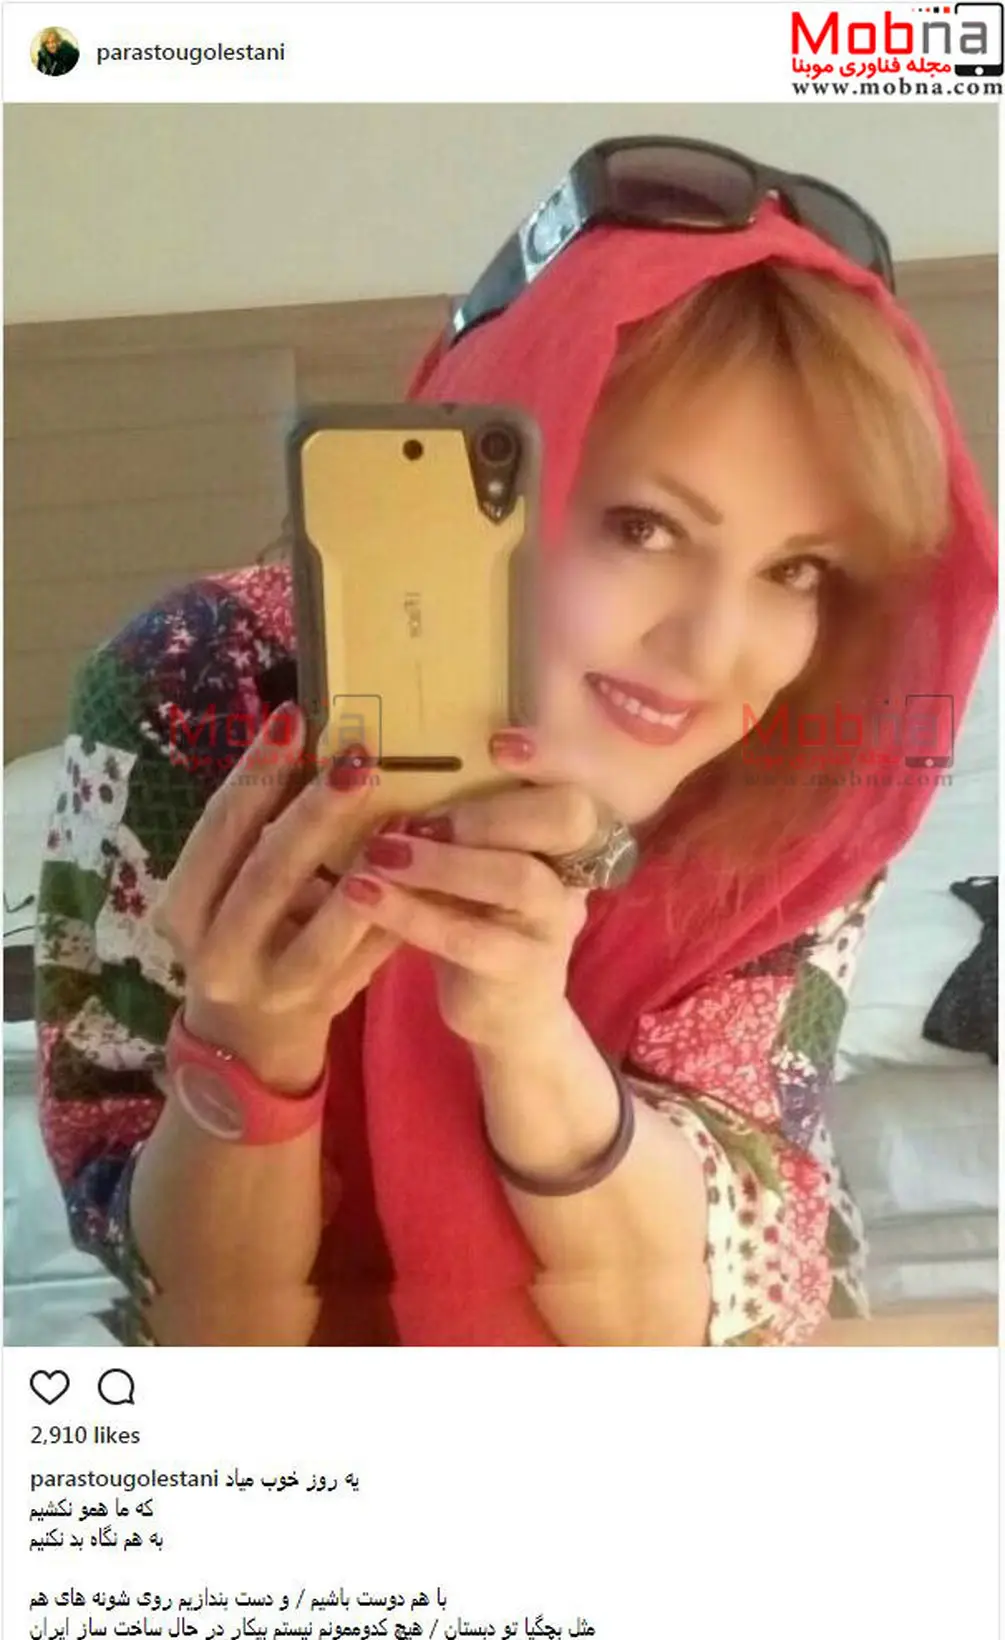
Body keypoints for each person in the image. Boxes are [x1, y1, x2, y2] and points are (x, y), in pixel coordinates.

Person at [35, 137, 996, 1348]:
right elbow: (207, 1322)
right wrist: (251, 1040)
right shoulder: (197, 691)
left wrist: (528, 1037)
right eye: (644, 526)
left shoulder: (801, 772)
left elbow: (718, 1281)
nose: (713, 652)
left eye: (797, 568)